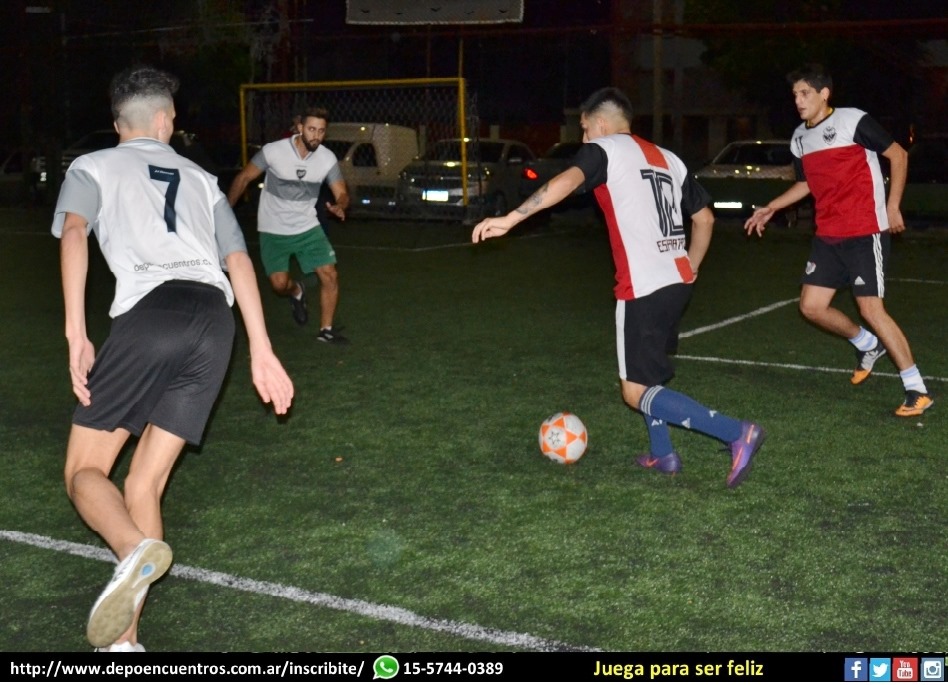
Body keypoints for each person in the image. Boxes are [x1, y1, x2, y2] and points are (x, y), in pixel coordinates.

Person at [52, 65, 294, 651]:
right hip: (215, 322)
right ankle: (125, 645)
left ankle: (132, 550)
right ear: (166, 120)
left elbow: (75, 233)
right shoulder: (203, 179)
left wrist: (76, 333)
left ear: (119, 124)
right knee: (145, 483)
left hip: (151, 315)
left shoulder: (91, 166)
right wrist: (263, 350)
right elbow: (238, 261)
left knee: (83, 471)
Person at [472, 87, 764, 487]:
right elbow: (705, 219)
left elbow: (566, 181)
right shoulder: (670, 159)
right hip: (676, 279)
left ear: (601, 123)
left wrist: (511, 218)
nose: (583, 138)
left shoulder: (605, 149)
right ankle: (663, 454)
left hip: (642, 284)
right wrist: (691, 266)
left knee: (634, 391)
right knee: (648, 374)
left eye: (584, 128)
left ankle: (736, 432)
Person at [744, 64, 932, 417]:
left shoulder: (852, 120)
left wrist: (893, 206)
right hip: (828, 234)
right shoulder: (799, 138)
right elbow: (806, 184)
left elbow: (898, 155)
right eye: (795, 95)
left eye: (805, 93)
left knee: (870, 308)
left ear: (824, 94)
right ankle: (866, 343)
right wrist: (771, 207)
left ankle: (917, 388)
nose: (798, 101)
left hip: (865, 230)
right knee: (811, 307)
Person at [227, 107, 351, 344]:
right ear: (300, 127)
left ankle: (326, 329)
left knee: (330, 274)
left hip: (307, 227)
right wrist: (226, 210)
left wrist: (340, 205)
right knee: (279, 285)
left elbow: (342, 193)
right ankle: (296, 291)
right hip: (273, 229)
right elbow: (244, 178)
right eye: (312, 129)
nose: (316, 136)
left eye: (321, 131)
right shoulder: (273, 151)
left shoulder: (327, 158)